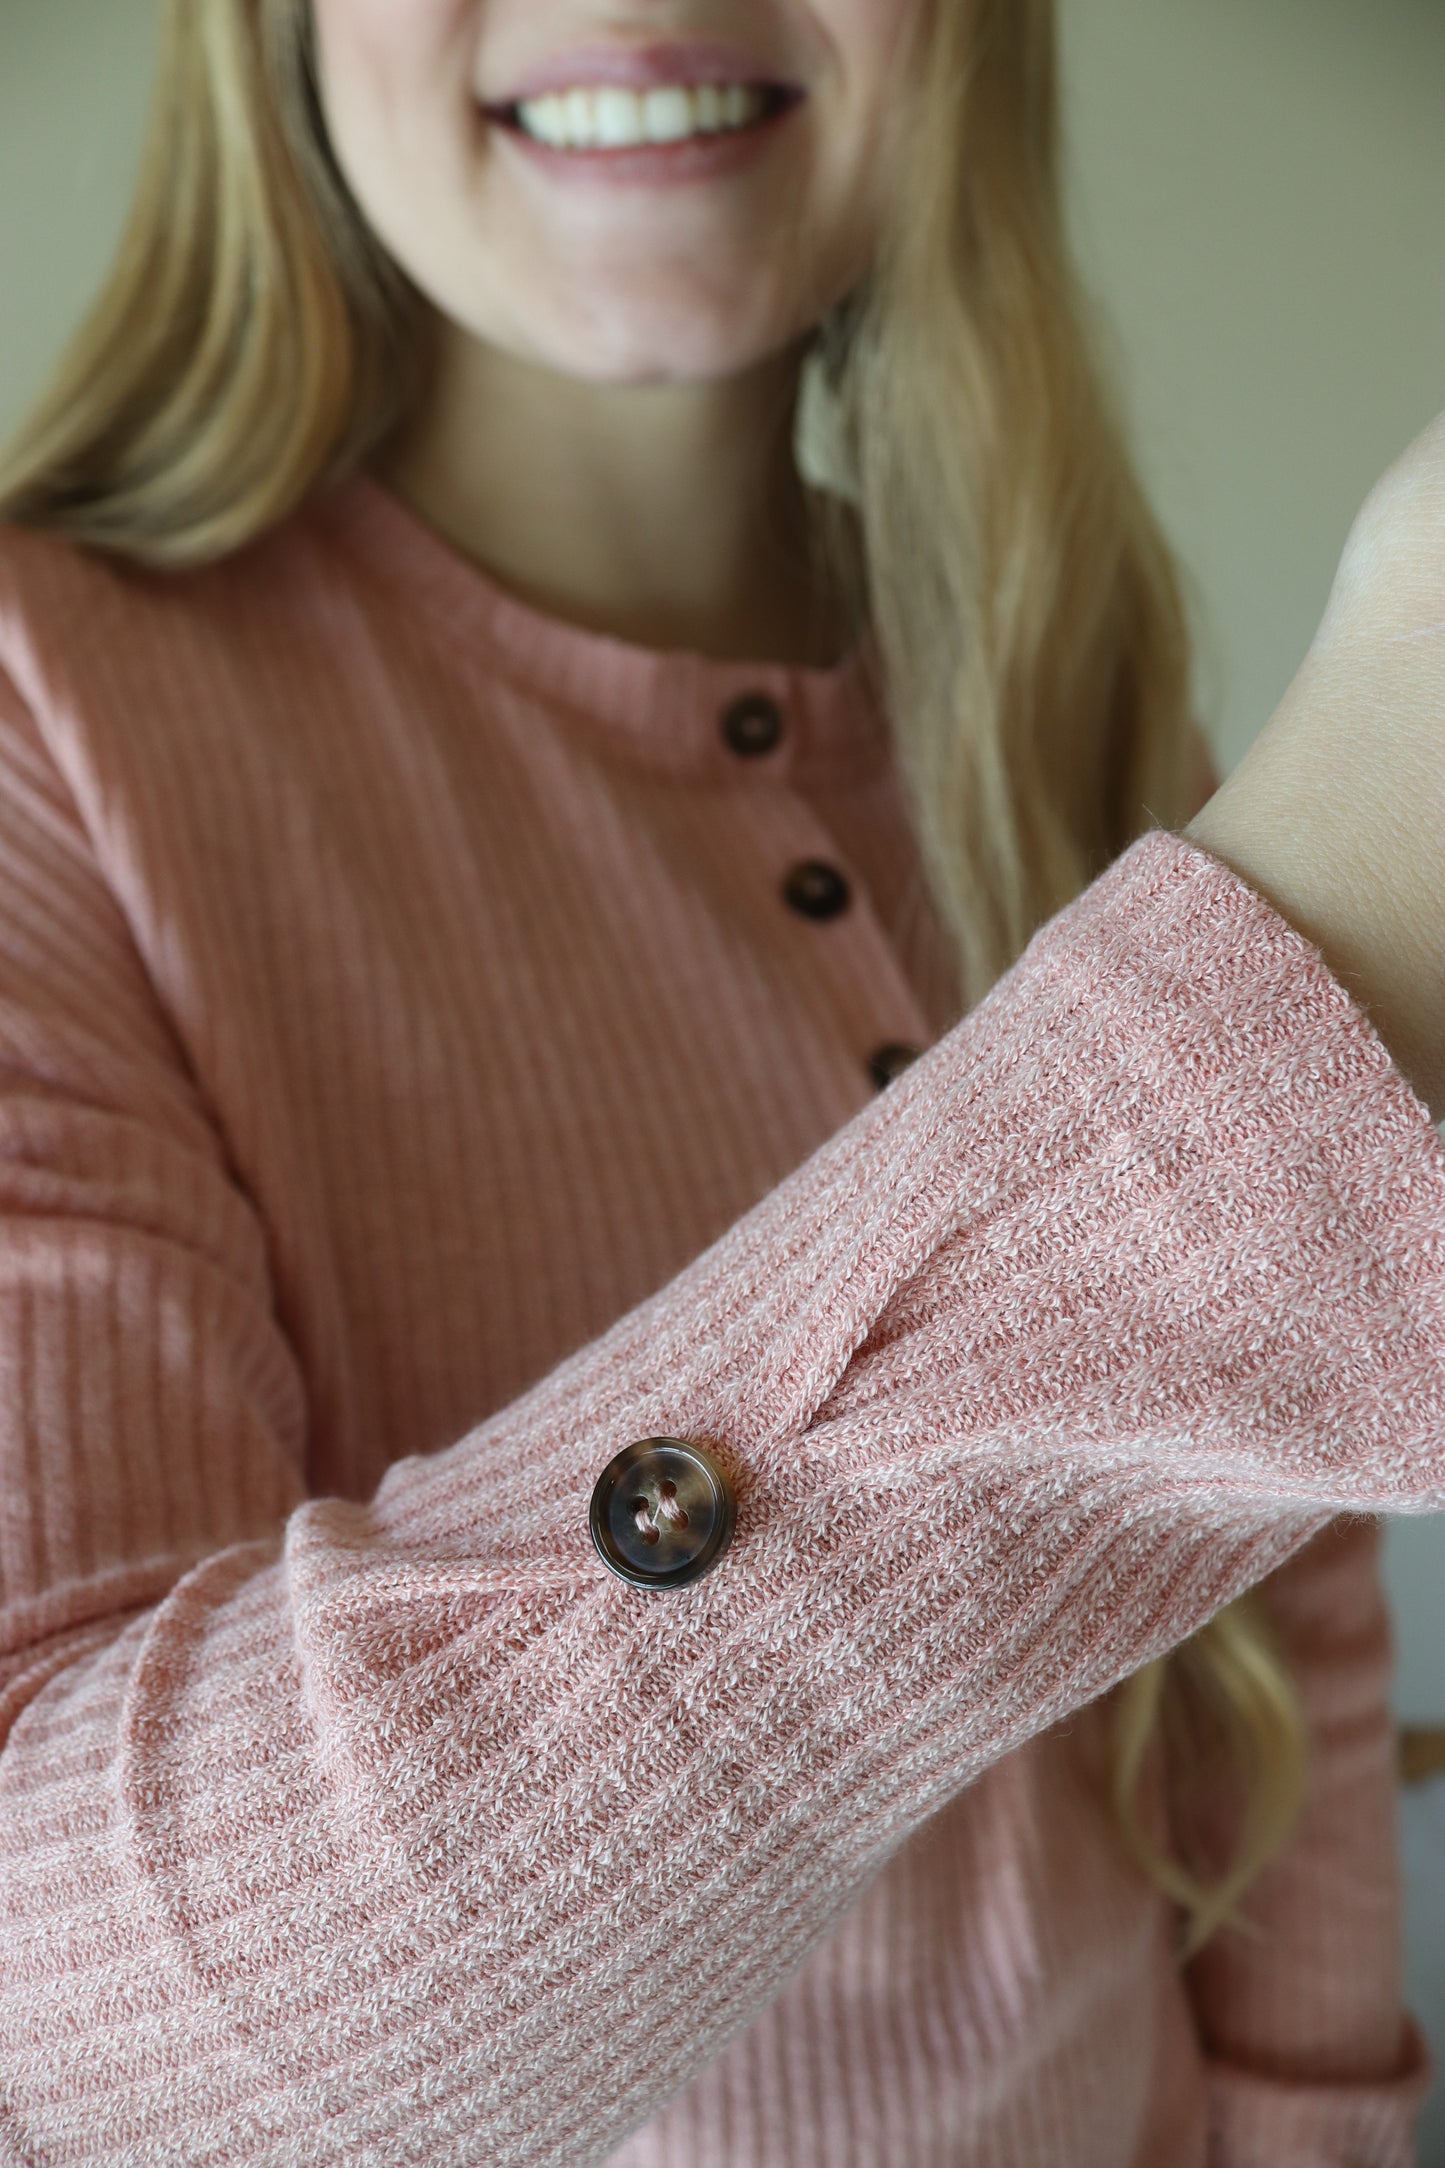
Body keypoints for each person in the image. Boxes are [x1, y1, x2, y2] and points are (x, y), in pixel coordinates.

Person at [0, 0, 1442, 2159]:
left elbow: (1282, 1662)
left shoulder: (1068, 707)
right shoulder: (44, 736)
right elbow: (87, 2033)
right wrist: (1313, 956)